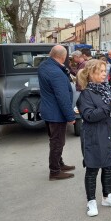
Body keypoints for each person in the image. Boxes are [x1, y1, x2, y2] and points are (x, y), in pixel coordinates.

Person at [77, 59, 111, 217]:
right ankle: (91, 201)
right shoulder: (86, 94)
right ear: (91, 73)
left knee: (108, 167)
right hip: (94, 136)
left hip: (110, 134)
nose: (105, 73)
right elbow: (89, 116)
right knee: (92, 169)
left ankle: (107, 196)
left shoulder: (108, 88)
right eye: (101, 71)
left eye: (105, 70)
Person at [38, 45, 76, 181]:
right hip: (56, 113)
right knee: (57, 142)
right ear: (63, 57)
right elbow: (62, 97)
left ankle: (59, 164)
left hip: (48, 110)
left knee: (55, 141)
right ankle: (54, 171)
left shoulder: (44, 66)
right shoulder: (56, 73)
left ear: (50, 54)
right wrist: (70, 116)